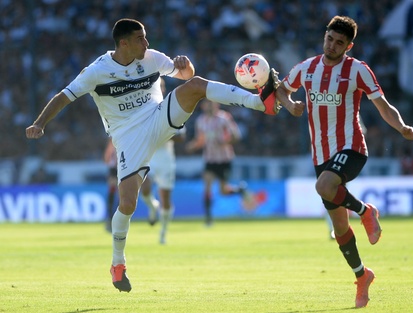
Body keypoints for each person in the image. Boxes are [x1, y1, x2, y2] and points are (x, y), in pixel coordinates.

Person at [25, 18, 281, 293]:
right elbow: (63, 96)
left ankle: (259, 102)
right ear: (123, 43)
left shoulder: (152, 57)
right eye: (140, 39)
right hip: (127, 136)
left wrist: (186, 66)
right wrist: (40, 123)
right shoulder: (97, 71)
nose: (146, 43)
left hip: (158, 117)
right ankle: (117, 263)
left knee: (195, 84)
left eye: (145, 38)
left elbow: (184, 75)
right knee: (127, 204)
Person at [275, 16, 413, 308]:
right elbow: (281, 89)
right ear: (324, 36)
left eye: (339, 42)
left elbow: (383, 105)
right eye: (329, 38)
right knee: (340, 228)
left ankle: (366, 212)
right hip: (321, 155)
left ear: (348, 46)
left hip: (352, 147)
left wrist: (402, 127)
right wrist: (290, 106)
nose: (332, 45)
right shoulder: (306, 68)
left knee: (323, 186)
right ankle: (362, 275)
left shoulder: (357, 71)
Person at [186, 99, 250, 227]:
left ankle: (239, 190)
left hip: (224, 159)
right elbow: (200, 140)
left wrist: (224, 142)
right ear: (203, 106)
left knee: (223, 191)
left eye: (211, 103)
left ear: (217, 104)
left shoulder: (224, 118)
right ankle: (208, 219)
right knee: (207, 187)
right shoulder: (200, 121)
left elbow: (236, 136)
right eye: (206, 103)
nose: (208, 106)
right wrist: (192, 146)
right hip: (209, 159)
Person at [140, 127, 186, 244]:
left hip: (166, 162)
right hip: (149, 159)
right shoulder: (147, 113)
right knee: (144, 188)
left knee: (165, 198)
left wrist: (164, 133)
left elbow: (181, 137)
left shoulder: (174, 114)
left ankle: (163, 232)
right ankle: (152, 206)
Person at [103, 138, 118, 233]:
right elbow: (107, 158)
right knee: (113, 192)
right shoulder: (112, 140)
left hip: (120, 167)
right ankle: (110, 219)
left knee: (119, 195)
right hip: (114, 169)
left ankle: (114, 220)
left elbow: (106, 158)